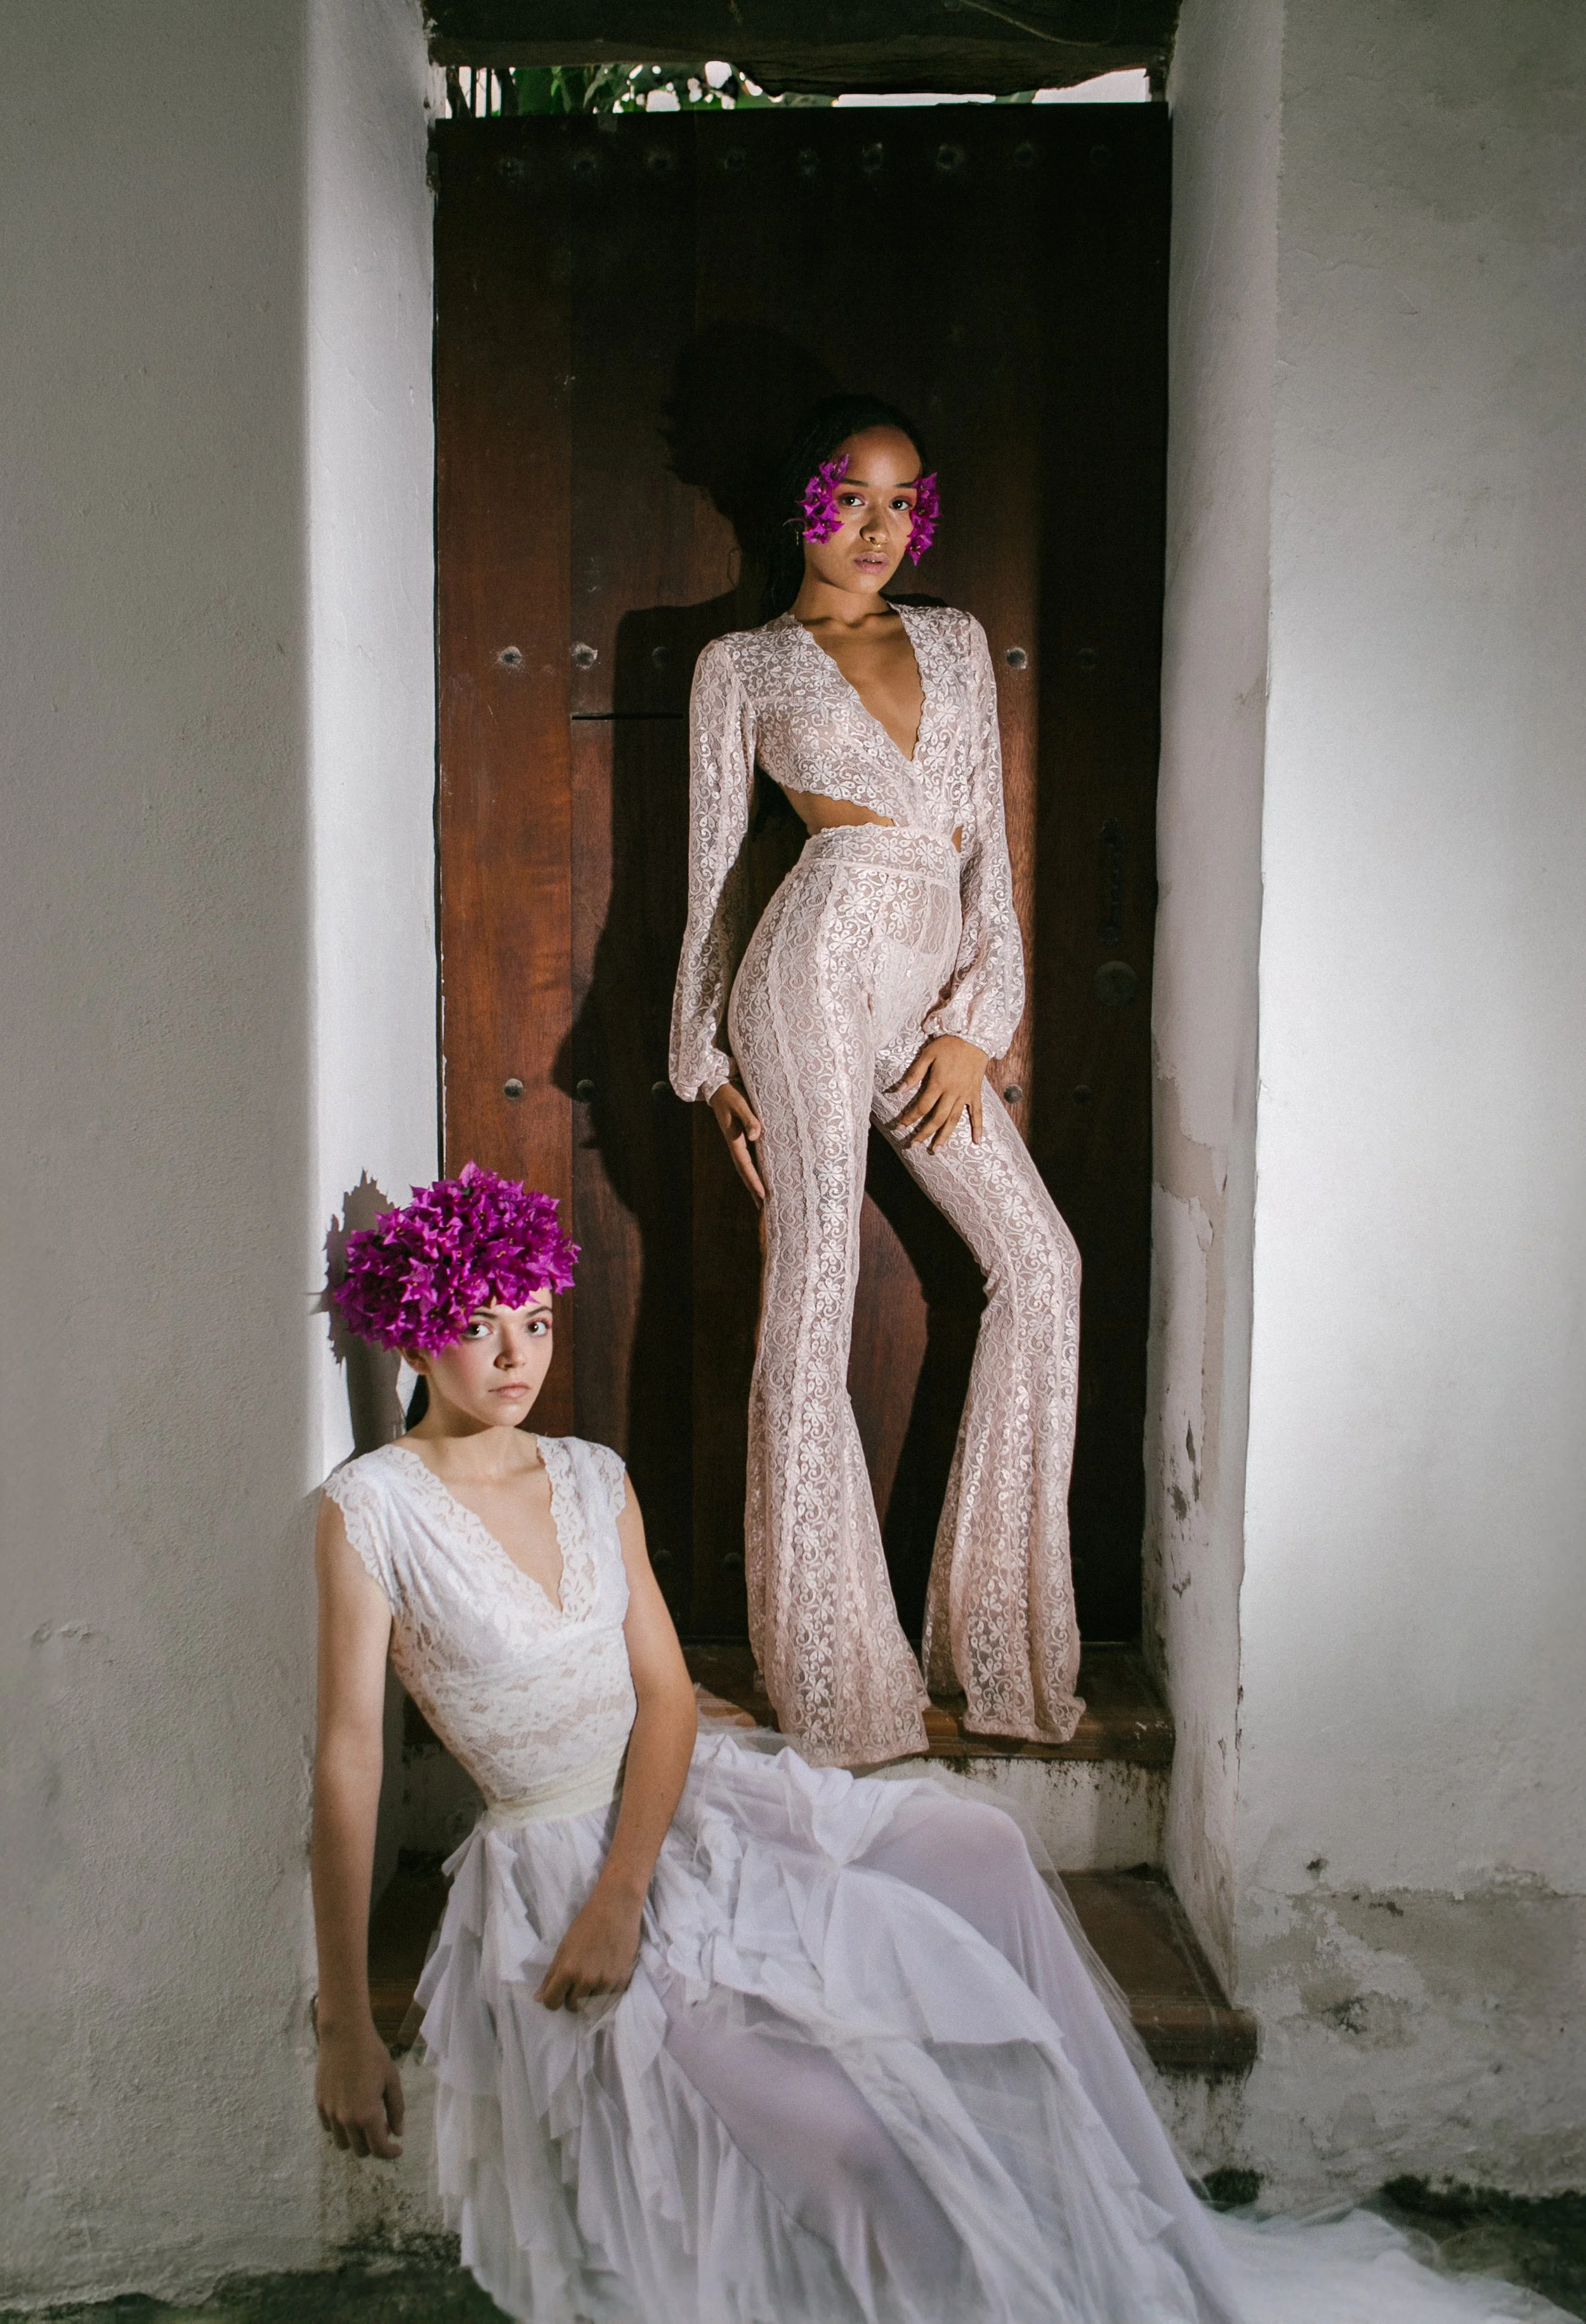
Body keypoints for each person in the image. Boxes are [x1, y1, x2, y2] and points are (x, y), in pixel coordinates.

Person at [313, 1167, 1561, 2324]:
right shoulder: (371, 1511)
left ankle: (1091, 2223)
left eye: (534, 1318)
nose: (518, 1352)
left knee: (973, 1840)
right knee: (849, 2133)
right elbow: (350, 1760)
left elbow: (667, 1695)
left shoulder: (592, 1473)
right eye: (483, 1322)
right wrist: (346, 2026)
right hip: (547, 1871)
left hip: (675, 1813)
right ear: (415, 1322)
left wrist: (630, 1883)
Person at [669, 393, 1082, 1770]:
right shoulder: (741, 665)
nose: (874, 527)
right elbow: (715, 876)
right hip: (811, 974)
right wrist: (705, 1056)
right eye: (848, 495)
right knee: (816, 1289)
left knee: (1042, 1261)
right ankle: (836, 1676)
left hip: (931, 999)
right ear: (797, 501)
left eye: (901, 502)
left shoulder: (957, 643)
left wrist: (981, 1022)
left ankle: (997, 1641)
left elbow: (987, 854)